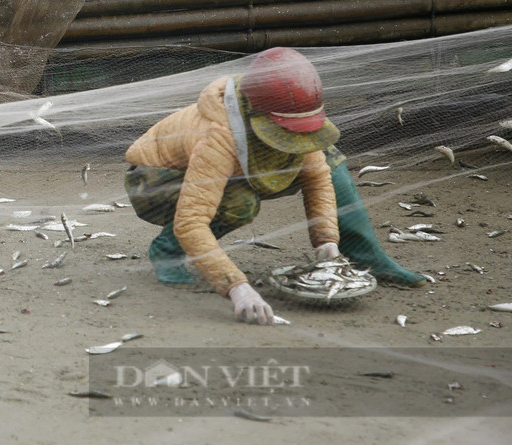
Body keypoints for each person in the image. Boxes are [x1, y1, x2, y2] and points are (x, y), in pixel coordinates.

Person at [124, 47, 426, 325]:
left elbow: (318, 178)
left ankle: (362, 253)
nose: (297, 138)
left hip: (226, 171)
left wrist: (327, 241)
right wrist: (236, 286)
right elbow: (191, 220)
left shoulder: (288, 113)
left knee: (328, 159)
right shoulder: (218, 135)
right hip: (154, 183)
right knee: (240, 204)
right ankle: (167, 251)